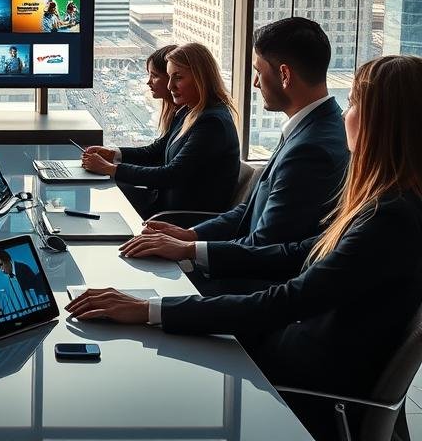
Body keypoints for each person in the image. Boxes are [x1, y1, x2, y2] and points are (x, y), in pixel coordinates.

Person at [67, 55, 422, 440]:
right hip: (294, 352)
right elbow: (296, 254)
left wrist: (149, 309)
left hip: (295, 384)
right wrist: (188, 252)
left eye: (352, 104)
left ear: (379, 121)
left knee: (139, 361)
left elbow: (289, 300)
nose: (344, 115)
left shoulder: (389, 218)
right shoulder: (390, 204)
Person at [119, 19, 349, 294]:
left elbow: (265, 245)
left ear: (285, 75)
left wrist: (189, 250)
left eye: (258, 71)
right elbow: (248, 210)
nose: (255, 83)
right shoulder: (308, 128)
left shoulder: (311, 149)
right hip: (237, 266)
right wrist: (190, 234)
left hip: (249, 287)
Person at [82, 42, 240, 215]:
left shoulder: (213, 123)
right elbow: (156, 152)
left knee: (103, 196)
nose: (170, 86)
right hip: (162, 203)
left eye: (178, 77)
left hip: (178, 218)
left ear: (201, 77)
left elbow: (172, 174)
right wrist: (113, 155)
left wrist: (110, 169)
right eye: (170, 77)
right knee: (101, 189)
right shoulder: (190, 111)